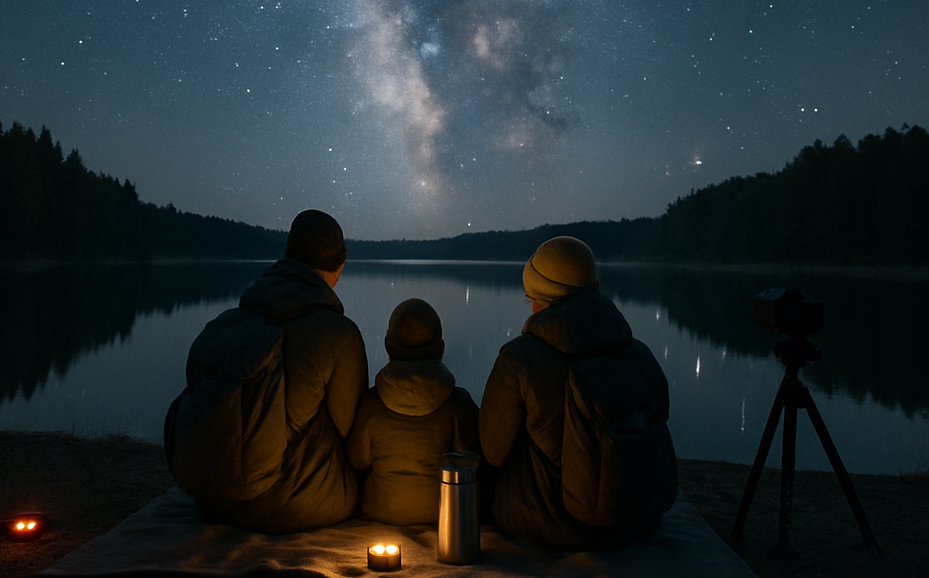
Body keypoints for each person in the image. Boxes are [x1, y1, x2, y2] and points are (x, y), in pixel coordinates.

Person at [479, 236, 677, 549]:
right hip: (641, 516)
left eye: (532, 297)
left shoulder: (519, 357)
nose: (530, 307)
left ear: (545, 297)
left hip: (557, 523)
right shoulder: (639, 353)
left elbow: (492, 451)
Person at [190, 209, 368, 533]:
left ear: (287, 257)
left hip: (209, 497)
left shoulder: (235, 320)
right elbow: (351, 432)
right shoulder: (337, 333)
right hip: (285, 505)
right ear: (340, 265)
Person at [345, 298, 480, 524]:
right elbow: (471, 458)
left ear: (388, 346)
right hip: (444, 513)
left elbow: (357, 460)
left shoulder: (371, 405)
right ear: (441, 349)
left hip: (380, 510)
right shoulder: (458, 404)